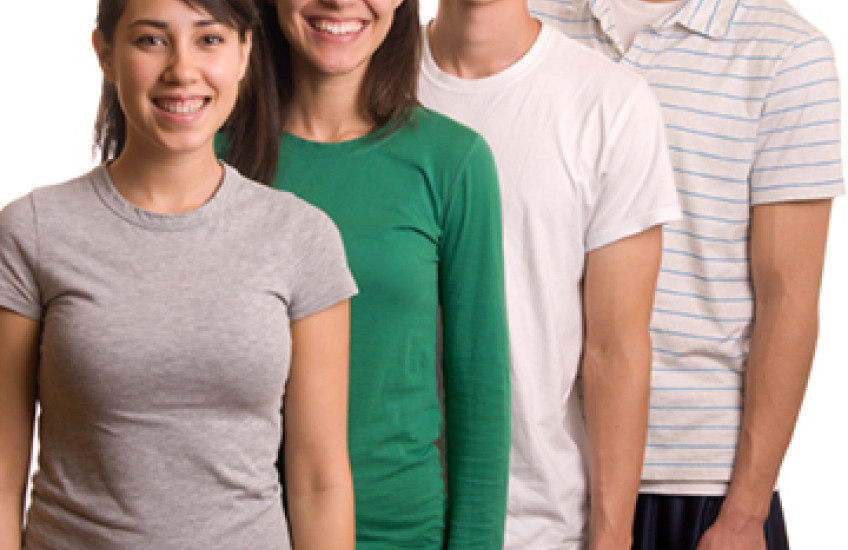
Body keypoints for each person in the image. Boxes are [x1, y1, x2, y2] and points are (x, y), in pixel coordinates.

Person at [0, 0, 357, 548]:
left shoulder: (301, 237)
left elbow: (320, 481)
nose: (182, 71)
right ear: (105, 54)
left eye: (209, 40)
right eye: (150, 40)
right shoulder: (32, 230)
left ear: (244, 53)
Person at [526, 0, 844, 548]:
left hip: (693, 476)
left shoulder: (785, 50)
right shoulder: (529, 21)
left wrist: (745, 512)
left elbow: (787, 298)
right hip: (540, 467)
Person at [418, 0, 682, 548]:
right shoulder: (361, 81)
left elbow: (617, 349)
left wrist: (611, 539)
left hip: (538, 522)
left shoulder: (609, 102)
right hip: (381, 509)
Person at [251, 1, 511, 548]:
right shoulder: (212, 157)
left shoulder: (452, 160)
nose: (340, 2)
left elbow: (479, 388)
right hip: (239, 529)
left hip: (401, 533)